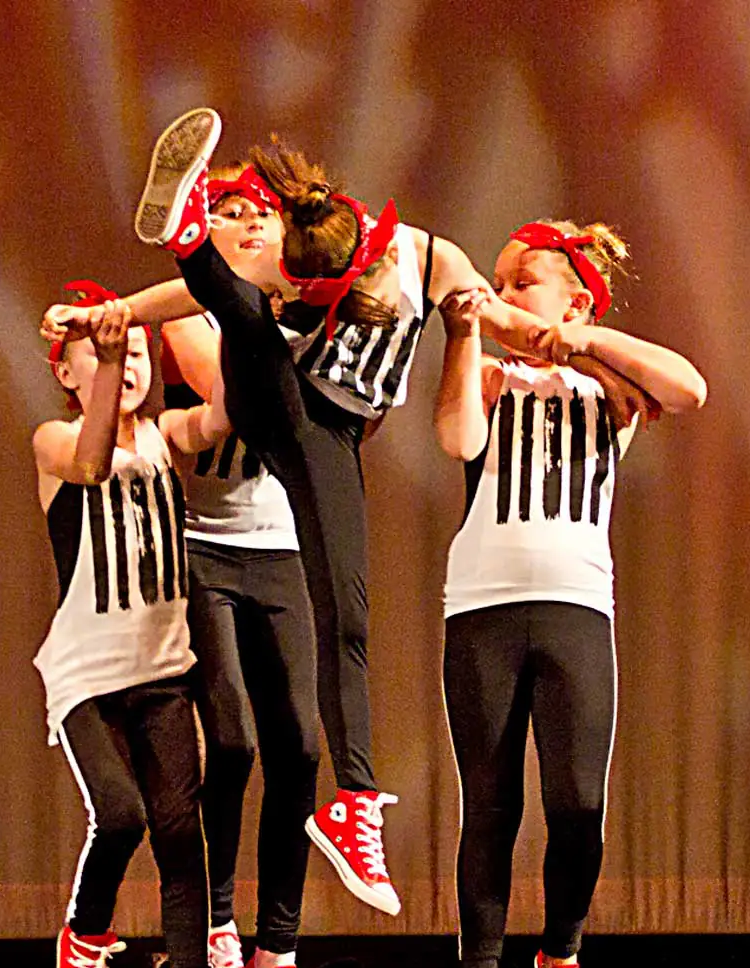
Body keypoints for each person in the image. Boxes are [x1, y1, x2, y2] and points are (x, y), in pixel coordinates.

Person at [45, 107, 569, 918]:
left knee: (346, 608)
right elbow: (193, 299)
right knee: (250, 321)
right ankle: (183, 227)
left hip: (331, 436)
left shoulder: (429, 258)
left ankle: (354, 802)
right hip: (274, 403)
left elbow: (496, 318)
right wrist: (100, 314)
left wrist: (552, 339)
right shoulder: (280, 260)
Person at [433, 221, 706, 968]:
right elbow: (457, 440)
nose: (509, 294)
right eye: (504, 281)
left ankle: (562, 960)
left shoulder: (609, 394)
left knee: (578, 803)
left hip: (577, 606)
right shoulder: (489, 373)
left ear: (575, 299)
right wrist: (469, 328)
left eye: (525, 284)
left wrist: (580, 339)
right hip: (482, 603)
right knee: (490, 805)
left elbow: (690, 387)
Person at [31, 290, 242, 968]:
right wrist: (111, 345)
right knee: (118, 815)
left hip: (161, 671)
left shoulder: (163, 434)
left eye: (137, 356)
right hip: (87, 674)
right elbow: (88, 464)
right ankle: (85, 938)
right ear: (67, 370)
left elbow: (218, 419)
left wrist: (230, 328)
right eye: (104, 356)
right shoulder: (53, 438)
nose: (126, 368)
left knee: (180, 833)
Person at [162, 162, 332, 968]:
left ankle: (278, 951)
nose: (241, 222)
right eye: (222, 212)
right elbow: (234, 405)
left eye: (255, 212)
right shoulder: (201, 323)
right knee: (229, 740)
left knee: (300, 747)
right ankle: (219, 932)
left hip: (285, 556)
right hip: (207, 551)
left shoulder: (311, 320)